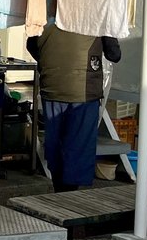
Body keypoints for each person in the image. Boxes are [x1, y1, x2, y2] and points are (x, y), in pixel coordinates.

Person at [27, 24, 122, 192]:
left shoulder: (46, 13)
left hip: (51, 85)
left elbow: (31, 45)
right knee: (78, 146)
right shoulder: (97, 17)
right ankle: (68, 195)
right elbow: (114, 54)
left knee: (56, 143)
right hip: (83, 91)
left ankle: (59, 190)